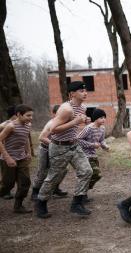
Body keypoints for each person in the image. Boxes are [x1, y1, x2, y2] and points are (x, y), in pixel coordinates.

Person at [35, 81, 93, 218]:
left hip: (74, 145)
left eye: (85, 90)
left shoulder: (82, 107)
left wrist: (84, 120)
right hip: (59, 146)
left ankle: (77, 204)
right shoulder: (66, 109)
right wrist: (75, 122)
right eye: (81, 91)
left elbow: (75, 123)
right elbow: (53, 129)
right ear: (72, 94)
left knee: (86, 171)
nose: (85, 93)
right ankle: (41, 202)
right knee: (55, 176)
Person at [0, 104, 33, 213]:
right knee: (7, 185)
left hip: (22, 158)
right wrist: (8, 158)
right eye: (28, 116)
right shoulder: (11, 126)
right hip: (8, 159)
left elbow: (26, 138)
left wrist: (28, 152)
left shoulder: (28, 125)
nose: (30, 118)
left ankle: (18, 206)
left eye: (31, 116)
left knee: (25, 181)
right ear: (19, 114)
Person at [31, 105, 68, 200]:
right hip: (45, 150)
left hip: (57, 151)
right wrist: (55, 144)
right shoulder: (51, 123)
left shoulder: (65, 122)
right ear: (55, 114)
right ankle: (35, 192)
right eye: (60, 113)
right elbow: (41, 138)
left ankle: (55, 189)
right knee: (43, 172)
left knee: (61, 170)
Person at [77, 108, 110, 202]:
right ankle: (81, 193)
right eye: (101, 117)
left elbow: (101, 140)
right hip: (85, 155)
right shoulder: (88, 128)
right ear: (95, 118)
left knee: (93, 175)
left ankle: (83, 193)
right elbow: (78, 139)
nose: (103, 119)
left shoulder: (102, 128)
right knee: (96, 174)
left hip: (93, 155)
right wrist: (92, 145)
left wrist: (105, 146)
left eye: (104, 117)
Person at [0, 105, 17, 200]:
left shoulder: (15, 123)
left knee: (6, 172)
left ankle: (6, 191)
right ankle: (5, 191)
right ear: (16, 114)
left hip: (7, 151)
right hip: (3, 151)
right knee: (5, 172)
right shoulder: (5, 124)